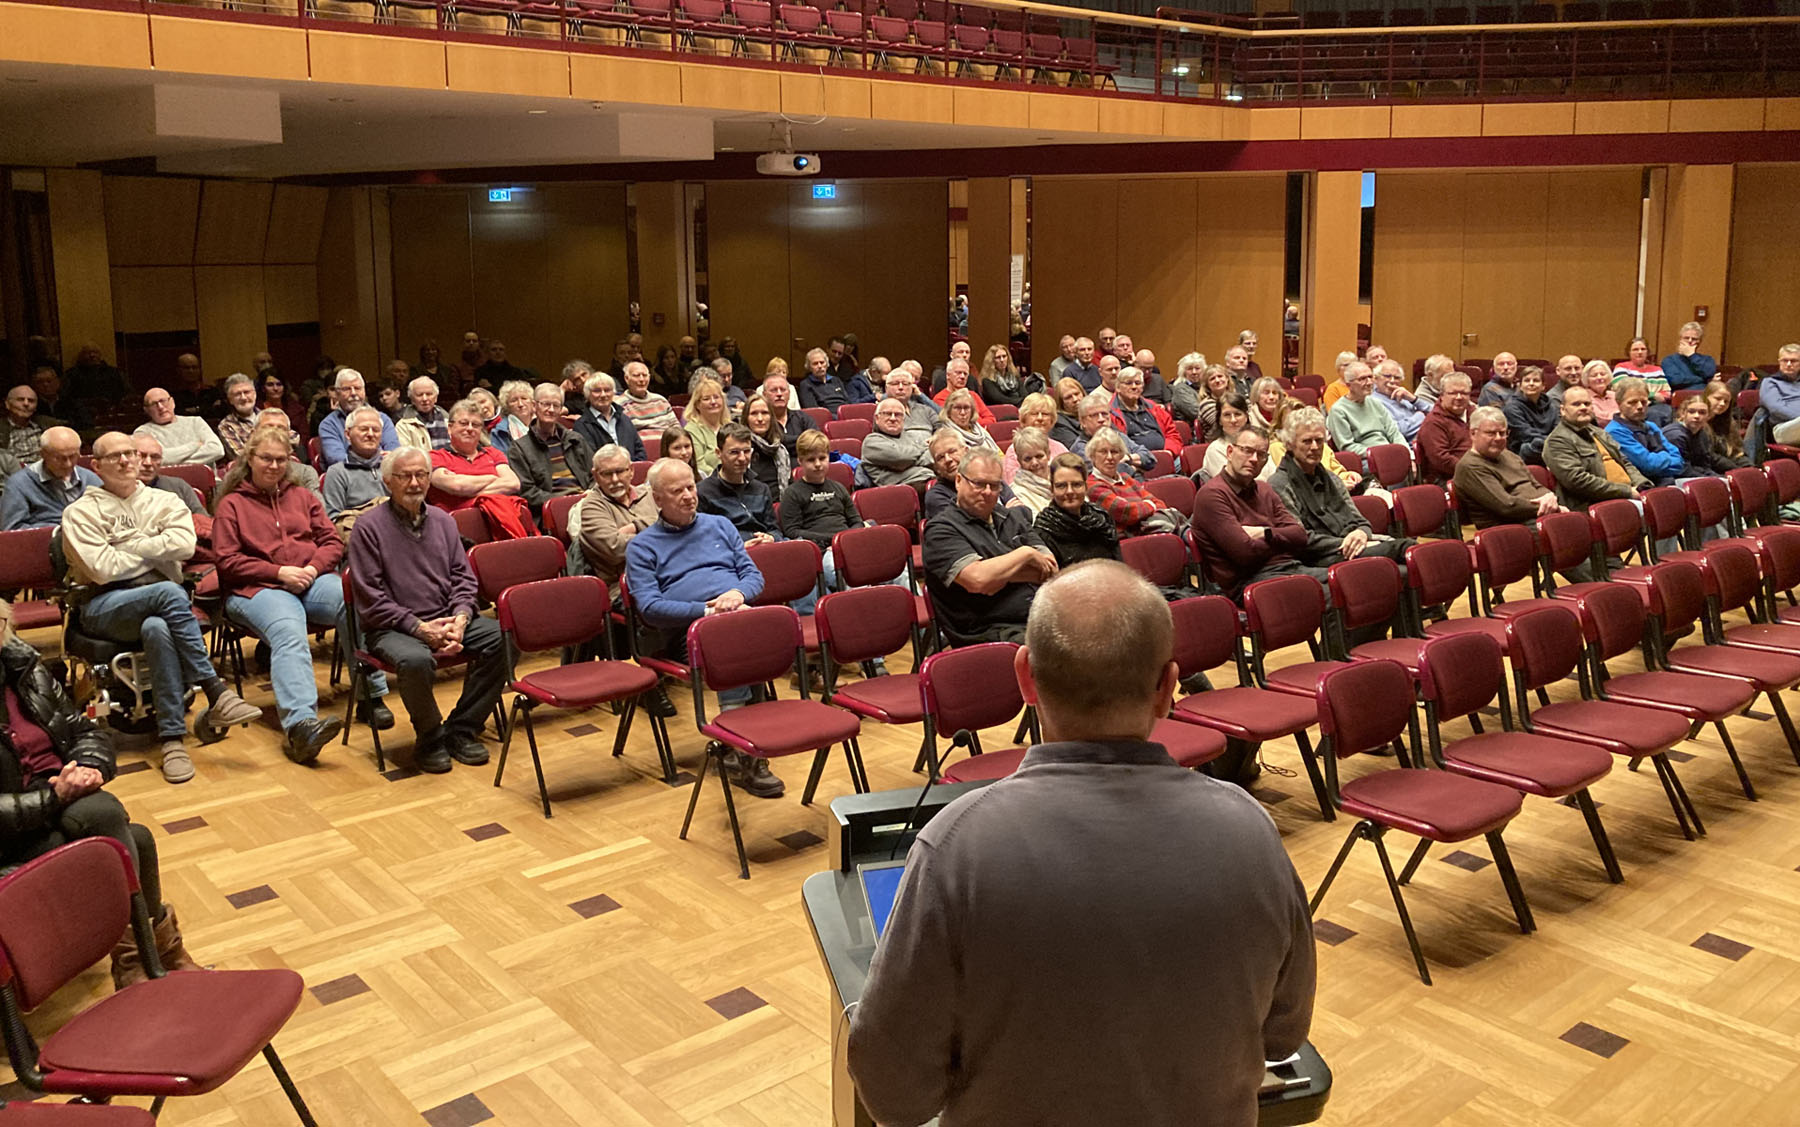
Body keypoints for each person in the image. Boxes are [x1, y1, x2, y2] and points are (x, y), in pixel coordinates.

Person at [850, 559, 1314, 1127]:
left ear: (1025, 677)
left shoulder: (954, 846)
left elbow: (894, 1093)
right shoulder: (1252, 830)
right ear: (1168, 687)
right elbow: (1284, 1033)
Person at [0, 599, 199, 989]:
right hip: (14, 828)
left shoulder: (24, 668)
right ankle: (147, 957)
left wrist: (90, 767)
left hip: (60, 797)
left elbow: (84, 731)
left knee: (117, 826)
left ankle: (145, 960)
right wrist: (53, 798)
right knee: (128, 836)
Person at [61, 432, 263, 783]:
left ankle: (172, 740)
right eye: (115, 456)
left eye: (130, 453)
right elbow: (102, 569)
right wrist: (155, 546)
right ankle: (215, 690)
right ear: (96, 466)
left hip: (159, 604)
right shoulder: (80, 512)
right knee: (169, 593)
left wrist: (124, 545)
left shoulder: (165, 501)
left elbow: (184, 546)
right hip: (105, 605)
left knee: (157, 626)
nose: (126, 460)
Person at [213, 426, 390, 763]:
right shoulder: (232, 504)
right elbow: (227, 561)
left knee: (354, 601)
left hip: (310, 579)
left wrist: (312, 568)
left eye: (281, 460)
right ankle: (301, 727)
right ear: (250, 458)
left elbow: (332, 541)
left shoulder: (302, 496)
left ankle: (371, 696)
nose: (274, 466)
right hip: (256, 588)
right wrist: (278, 572)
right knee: (289, 630)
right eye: (266, 458)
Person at [625, 458, 782, 797]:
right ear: (657, 498)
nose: (688, 496)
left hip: (737, 613)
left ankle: (742, 738)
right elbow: (649, 608)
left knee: (758, 628)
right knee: (732, 637)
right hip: (687, 633)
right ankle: (744, 750)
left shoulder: (720, 525)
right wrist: (708, 610)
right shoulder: (642, 546)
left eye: (691, 487)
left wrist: (737, 594)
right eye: (677, 491)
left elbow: (752, 575)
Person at [347, 447, 507, 772]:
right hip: (392, 628)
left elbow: (463, 578)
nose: (414, 483)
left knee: (504, 638)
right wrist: (420, 628)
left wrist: (461, 617)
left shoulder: (444, 521)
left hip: (446, 616)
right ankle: (430, 737)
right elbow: (371, 599)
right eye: (405, 476)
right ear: (388, 481)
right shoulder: (368, 528)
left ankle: (462, 729)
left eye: (421, 475)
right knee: (416, 660)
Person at [922, 447, 1057, 645]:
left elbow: (1050, 568)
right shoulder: (941, 529)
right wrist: (1025, 554)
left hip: (1035, 615)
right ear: (959, 481)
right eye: (978, 484)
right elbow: (979, 580)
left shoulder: (1011, 517)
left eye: (994, 485)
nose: (987, 492)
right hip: (987, 629)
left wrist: (997, 574)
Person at [1191, 426, 1320, 598]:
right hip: (1251, 584)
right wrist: (1283, 541)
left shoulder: (1264, 489)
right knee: (1330, 594)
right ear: (1230, 452)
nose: (1254, 459)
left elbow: (1300, 536)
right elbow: (1245, 553)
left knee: (1346, 582)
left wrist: (1265, 533)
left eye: (1261, 455)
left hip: (1289, 568)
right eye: (1247, 451)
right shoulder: (1212, 495)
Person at [1272, 409, 1409, 567]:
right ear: (1290, 445)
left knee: (1409, 556)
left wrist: (1361, 533)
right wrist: (1348, 542)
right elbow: (1299, 538)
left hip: (1352, 544)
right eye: (1307, 441)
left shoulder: (1331, 477)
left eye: (1319, 440)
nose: (1315, 447)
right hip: (1321, 557)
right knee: (1404, 549)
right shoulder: (1280, 484)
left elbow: (1360, 520)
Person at [429, 399, 532, 536]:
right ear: (450, 428)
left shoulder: (493, 453)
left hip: (503, 526)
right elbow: (456, 485)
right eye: (464, 423)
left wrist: (467, 492)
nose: (470, 428)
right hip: (458, 535)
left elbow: (513, 483)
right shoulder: (434, 457)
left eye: (476, 425)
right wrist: (492, 478)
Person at [1454, 406, 1566, 530]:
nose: (1498, 438)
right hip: (1508, 527)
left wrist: (1549, 497)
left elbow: (1535, 485)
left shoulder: (1509, 455)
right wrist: (1550, 507)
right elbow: (1506, 506)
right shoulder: (1470, 466)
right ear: (1473, 433)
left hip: (1536, 516)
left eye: (1502, 433)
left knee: (1576, 523)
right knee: (1567, 530)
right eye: (1491, 433)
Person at [1543, 386, 1648, 513]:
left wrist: (1642, 485)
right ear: (1563, 410)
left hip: (1628, 495)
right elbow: (1577, 481)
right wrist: (1627, 491)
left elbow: (1625, 462)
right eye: (1576, 404)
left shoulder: (1599, 432)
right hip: (1595, 504)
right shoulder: (1557, 441)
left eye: (1587, 404)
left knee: (1660, 500)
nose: (1583, 407)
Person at [509, 383, 596, 521]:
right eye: (545, 404)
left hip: (587, 504)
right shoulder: (519, 449)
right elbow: (527, 492)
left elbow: (596, 473)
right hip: (552, 513)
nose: (551, 410)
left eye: (556, 405)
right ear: (534, 406)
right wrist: (565, 501)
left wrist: (590, 494)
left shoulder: (575, 439)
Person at [1085, 429, 1183, 539]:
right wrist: (1149, 505)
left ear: (1121, 456)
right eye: (1103, 452)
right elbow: (1126, 512)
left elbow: (1159, 503)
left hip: (1151, 531)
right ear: (1092, 456)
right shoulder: (1092, 485)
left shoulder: (1126, 478)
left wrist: (1143, 508)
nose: (1109, 457)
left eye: (1114, 452)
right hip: (1130, 540)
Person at [1, 427, 98, 531]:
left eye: (73, 456)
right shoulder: (18, 484)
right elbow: (12, 529)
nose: (68, 464)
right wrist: (58, 530)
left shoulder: (89, 478)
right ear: (43, 454)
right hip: (45, 539)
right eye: (59, 458)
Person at [698, 423, 779, 545]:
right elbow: (703, 539)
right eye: (734, 452)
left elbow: (775, 531)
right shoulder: (703, 492)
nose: (742, 458)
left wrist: (771, 537)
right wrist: (738, 547)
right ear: (718, 453)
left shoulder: (761, 489)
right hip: (729, 552)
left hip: (764, 549)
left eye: (746, 451)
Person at [1034, 452, 1120, 567]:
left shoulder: (1102, 519)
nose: (1069, 491)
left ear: (1086, 486)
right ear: (1052, 489)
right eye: (1061, 486)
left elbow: (1119, 565)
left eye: (1076, 484)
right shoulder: (1044, 530)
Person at [320, 406, 392, 535]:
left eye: (376, 430)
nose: (370, 434)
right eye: (364, 429)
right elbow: (333, 520)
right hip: (358, 537)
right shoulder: (337, 473)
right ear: (348, 434)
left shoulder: (392, 467)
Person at [1605, 377, 1689, 486]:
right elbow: (1648, 466)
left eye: (1644, 402)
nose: (1640, 407)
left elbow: (1680, 461)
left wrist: (1659, 459)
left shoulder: (1651, 426)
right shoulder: (1614, 432)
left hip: (1667, 482)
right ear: (1619, 403)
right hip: (1642, 487)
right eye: (1632, 402)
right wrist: (1665, 456)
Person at [317, 369, 400, 468]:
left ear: (364, 392)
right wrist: (374, 461)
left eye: (357, 388)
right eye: (346, 389)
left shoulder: (382, 419)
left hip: (382, 473)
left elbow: (394, 454)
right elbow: (336, 459)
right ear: (337, 394)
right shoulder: (328, 425)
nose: (353, 393)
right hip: (348, 474)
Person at [1326, 361, 1405, 456]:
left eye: (1370, 377)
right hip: (1366, 458)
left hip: (1388, 453)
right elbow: (1347, 447)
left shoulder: (1375, 403)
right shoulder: (1338, 410)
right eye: (1362, 379)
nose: (1369, 382)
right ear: (1349, 385)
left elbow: (1394, 433)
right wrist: (1379, 454)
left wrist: (1405, 452)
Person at [1199, 392, 1282, 482]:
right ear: (1220, 420)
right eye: (1227, 415)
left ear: (1246, 417)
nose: (1233, 420)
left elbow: (1274, 476)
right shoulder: (1215, 450)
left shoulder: (1259, 444)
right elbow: (1231, 483)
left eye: (1238, 414)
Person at [133, 387, 224, 468]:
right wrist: (194, 445)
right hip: (167, 481)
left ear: (172, 402)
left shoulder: (196, 422)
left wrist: (175, 464)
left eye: (163, 401)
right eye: (154, 404)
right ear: (147, 410)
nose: (160, 407)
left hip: (206, 479)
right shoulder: (142, 433)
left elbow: (217, 450)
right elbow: (158, 459)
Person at [863, 396, 935, 491]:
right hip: (901, 489)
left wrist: (909, 461)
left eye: (898, 415)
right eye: (888, 414)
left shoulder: (909, 437)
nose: (893, 418)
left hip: (928, 480)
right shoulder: (871, 442)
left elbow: (931, 457)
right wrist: (923, 448)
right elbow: (901, 457)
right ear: (877, 418)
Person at [1072, 390, 1153, 476]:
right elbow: (1113, 473)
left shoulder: (1118, 436)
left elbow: (1150, 458)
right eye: (1094, 415)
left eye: (1104, 414)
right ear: (1083, 422)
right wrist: (1136, 468)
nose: (1101, 419)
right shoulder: (1081, 448)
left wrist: (1128, 458)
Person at [1663, 392, 1745, 476]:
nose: (1696, 416)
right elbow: (1682, 470)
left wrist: (1718, 477)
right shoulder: (1675, 436)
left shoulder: (1702, 433)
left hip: (1696, 475)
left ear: (1708, 416)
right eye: (1691, 412)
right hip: (1674, 476)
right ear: (1683, 414)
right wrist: (1713, 479)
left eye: (1702, 412)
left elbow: (1705, 464)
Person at [572, 372, 649, 462]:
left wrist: (631, 467)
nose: (603, 395)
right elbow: (589, 459)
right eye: (597, 391)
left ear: (614, 393)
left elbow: (640, 451)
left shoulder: (624, 419)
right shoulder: (581, 425)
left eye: (607, 390)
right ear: (588, 395)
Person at [1415, 371, 1473, 485]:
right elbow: (1441, 460)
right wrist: (1474, 470)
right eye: (1453, 393)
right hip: (1448, 478)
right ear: (1441, 395)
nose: (1459, 397)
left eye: (1464, 393)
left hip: (1479, 471)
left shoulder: (1475, 414)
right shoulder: (1433, 422)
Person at [1111, 366, 1182, 453]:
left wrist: (1169, 451)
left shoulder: (1153, 407)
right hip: (1136, 458)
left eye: (1138, 383)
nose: (1134, 387)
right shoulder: (1111, 414)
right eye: (1128, 383)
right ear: (1118, 387)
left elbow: (1172, 434)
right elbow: (1116, 446)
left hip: (1166, 455)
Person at [1003, 393, 1067, 483]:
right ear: (1024, 419)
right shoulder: (1014, 451)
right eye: (1034, 414)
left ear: (1052, 420)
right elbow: (1012, 484)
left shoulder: (1060, 448)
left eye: (1045, 414)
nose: (1040, 418)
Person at [1501, 365, 1558, 465]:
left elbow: (1558, 429)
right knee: (1529, 447)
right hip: (1523, 451)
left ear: (1543, 386)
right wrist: (1552, 442)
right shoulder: (1511, 407)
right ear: (1520, 386)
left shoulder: (1551, 405)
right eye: (1527, 380)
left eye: (1536, 380)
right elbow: (1525, 434)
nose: (1531, 384)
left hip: (1550, 446)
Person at [741, 393, 793, 491]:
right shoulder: (741, 451)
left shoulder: (780, 449)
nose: (760, 419)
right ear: (746, 418)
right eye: (754, 413)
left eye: (764, 413)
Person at [1368, 359, 1426, 443]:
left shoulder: (1404, 396)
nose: (1392, 381)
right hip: (1407, 446)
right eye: (1387, 376)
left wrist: (1414, 399)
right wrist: (1421, 416)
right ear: (1375, 379)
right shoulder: (1373, 401)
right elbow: (1398, 431)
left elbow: (1435, 413)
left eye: (1397, 378)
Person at [682, 376, 729, 476]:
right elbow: (699, 465)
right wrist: (724, 478)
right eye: (706, 399)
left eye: (716, 397)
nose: (713, 402)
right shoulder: (691, 430)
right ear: (697, 405)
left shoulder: (730, 426)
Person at [1005, 427, 1057, 517]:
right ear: (1019, 461)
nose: (1034, 463)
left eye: (1039, 456)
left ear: (1048, 455)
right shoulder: (1017, 493)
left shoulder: (1062, 480)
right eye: (1028, 459)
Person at [215, 373, 264, 463]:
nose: (243, 397)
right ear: (230, 400)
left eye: (247, 392)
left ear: (255, 394)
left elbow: (291, 441)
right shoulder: (226, 426)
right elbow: (241, 457)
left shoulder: (270, 416)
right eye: (237, 394)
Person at [980, 342, 1041, 409]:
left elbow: (1024, 394)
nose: (1002, 360)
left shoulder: (1014, 375)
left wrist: (1026, 402)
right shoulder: (987, 380)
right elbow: (1000, 399)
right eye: (998, 357)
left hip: (1021, 408)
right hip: (1002, 411)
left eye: (1004, 356)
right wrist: (1022, 402)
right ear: (992, 361)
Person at [1760, 343, 1800, 445]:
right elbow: (1776, 408)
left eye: (1794, 361)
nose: (1789, 364)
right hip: (1782, 428)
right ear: (1779, 362)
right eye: (1785, 360)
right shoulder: (1770, 382)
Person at [62, 342, 127, 403]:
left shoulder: (113, 372)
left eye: (95, 352)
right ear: (82, 356)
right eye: (88, 353)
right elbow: (67, 397)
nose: (92, 355)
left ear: (100, 355)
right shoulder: (72, 374)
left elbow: (124, 393)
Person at [1662, 321, 1717, 392]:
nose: (1690, 341)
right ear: (1680, 340)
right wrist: (1704, 379)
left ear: (1699, 342)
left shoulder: (1707, 359)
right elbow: (1676, 381)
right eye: (1686, 338)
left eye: (1694, 339)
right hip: (1682, 395)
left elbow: (1709, 373)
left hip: (1704, 395)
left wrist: (1691, 355)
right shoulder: (1669, 360)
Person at [1703, 379, 1749, 464]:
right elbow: (1709, 457)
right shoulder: (1697, 423)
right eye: (1718, 399)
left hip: (1730, 465)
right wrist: (1734, 468)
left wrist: (1749, 466)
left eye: (1726, 401)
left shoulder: (1729, 422)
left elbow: (1738, 452)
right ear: (1706, 397)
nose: (1722, 404)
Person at [938, 388, 998, 453]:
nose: (963, 413)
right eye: (957, 408)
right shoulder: (945, 436)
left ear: (972, 411)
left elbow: (999, 455)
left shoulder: (981, 431)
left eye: (966, 408)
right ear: (949, 412)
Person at [401, 376, 451, 450]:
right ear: (412, 400)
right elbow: (406, 454)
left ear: (436, 398)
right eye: (419, 395)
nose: (424, 399)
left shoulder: (449, 420)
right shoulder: (403, 426)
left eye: (429, 394)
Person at [797, 348, 849, 417]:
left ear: (827, 364)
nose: (820, 366)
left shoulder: (836, 380)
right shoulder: (806, 385)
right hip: (825, 419)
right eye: (815, 364)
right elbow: (814, 411)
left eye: (822, 362)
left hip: (844, 416)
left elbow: (848, 402)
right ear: (809, 367)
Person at [490, 379, 536, 454]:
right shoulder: (500, 432)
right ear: (507, 405)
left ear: (532, 402)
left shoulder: (544, 424)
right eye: (514, 400)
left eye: (524, 398)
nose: (520, 404)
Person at [258, 369, 306, 434]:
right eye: (270, 385)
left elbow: (304, 435)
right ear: (263, 388)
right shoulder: (255, 409)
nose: (275, 388)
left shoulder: (297, 410)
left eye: (279, 384)